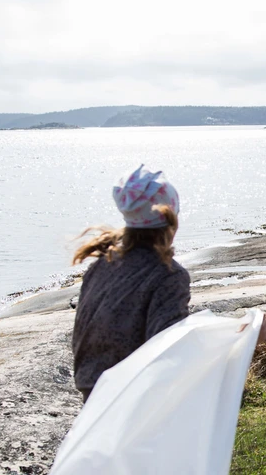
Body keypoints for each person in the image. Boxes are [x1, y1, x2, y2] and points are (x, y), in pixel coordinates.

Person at [70, 164, 191, 402]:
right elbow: (171, 349)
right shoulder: (167, 275)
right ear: (171, 218)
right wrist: (238, 343)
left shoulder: (103, 264)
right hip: (132, 398)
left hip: (92, 389)